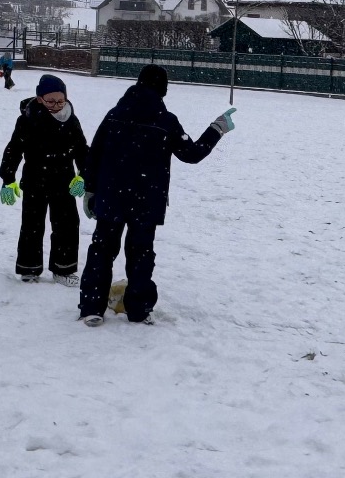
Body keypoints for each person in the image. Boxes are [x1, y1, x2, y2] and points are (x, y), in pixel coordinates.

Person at [78, 64, 234, 325]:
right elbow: (191, 154)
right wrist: (216, 129)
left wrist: (90, 190)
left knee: (101, 251)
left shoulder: (114, 114)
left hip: (111, 197)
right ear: (163, 90)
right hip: (146, 201)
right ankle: (139, 310)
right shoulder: (166, 121)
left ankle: (91, 308)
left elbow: (94, 154)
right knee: (140, 254)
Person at [0, 73, 91, 284]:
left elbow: (82, 149)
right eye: (51, 101)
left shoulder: (71, 120)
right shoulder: (28, 119)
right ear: (40, 98)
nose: (56, 105)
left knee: (67, 225)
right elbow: (14, 150)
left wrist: (84, 175)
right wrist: (8, 179)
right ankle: (29, 269)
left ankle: (63, 269)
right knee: (32, 225)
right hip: (35, 179)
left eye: (60, 101)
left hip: (64, 181)